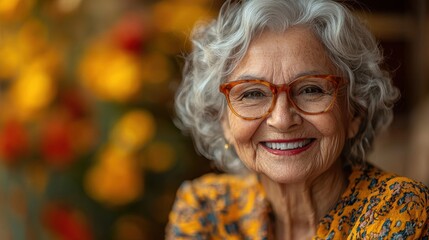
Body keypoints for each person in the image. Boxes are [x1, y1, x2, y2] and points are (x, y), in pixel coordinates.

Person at [166, 0, 429, 239]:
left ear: (354, 112)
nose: (281, 120)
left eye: (311, 89)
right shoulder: (205, 208)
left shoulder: (400, 208)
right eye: (253, 93)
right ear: (223, 120)